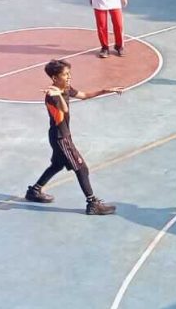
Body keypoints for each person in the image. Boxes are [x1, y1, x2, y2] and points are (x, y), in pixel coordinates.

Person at [25, 59, 123, 215]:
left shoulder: (65, 88)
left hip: (60, 136)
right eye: (65, 74)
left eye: (69, 73)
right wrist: (58, 95)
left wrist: (105, 90)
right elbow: (63, 109)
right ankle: (92, 204)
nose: (69, 77)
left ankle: (34, 191)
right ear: (55, 78)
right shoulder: (52, 95)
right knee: (81, 168)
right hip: (61, 138)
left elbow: (83, 95)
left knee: (57, 165)